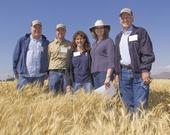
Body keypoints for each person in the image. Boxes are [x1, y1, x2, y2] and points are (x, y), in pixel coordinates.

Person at [114, 8, 155, 113]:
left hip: (138, 72)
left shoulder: (140, 32)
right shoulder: (118, 37)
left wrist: (145, 70)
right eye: (123, 17)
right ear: (120, 20)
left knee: (140, 105)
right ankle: (132, 128)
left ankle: (140, 128)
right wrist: (117, 73)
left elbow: (147, 51)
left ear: (132, 18)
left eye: (127, 17)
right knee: (128, 105)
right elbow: (117, 57)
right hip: (123, 74)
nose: (125, 19)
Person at [13, 19, 49, 89]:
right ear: (31, 28)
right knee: (21, 98)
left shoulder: (46, 43)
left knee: (37, 98)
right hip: (24, 76)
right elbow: (16, 56)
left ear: (41, 29)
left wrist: (47, 72)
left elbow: (49, 58)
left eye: (39, 27)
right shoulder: (22, 40)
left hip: (39, 76)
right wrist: (15, 71)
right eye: (35, 27)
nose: (37, 29)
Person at [89, 19, 115, 89]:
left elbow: (111, 60)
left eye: (101, 27)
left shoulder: (109, 41)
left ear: (105, 29)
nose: (99, 29)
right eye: (97, 28)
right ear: (94, 30)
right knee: (99, 97)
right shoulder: (94, 44)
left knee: (106, 96)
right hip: (94, 73)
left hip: (104, 72)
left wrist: (108, 76)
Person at [48, 23, 71, 93]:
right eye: (58, 30)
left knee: (65, 93)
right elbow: (48, 58)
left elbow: (71, 58)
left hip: (65, 73)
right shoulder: (50, 45)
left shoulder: (69, 44)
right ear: (56, 32)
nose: (60, 32)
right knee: (53, 94)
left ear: (65, 32)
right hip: (53, 72)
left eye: (62, 30)